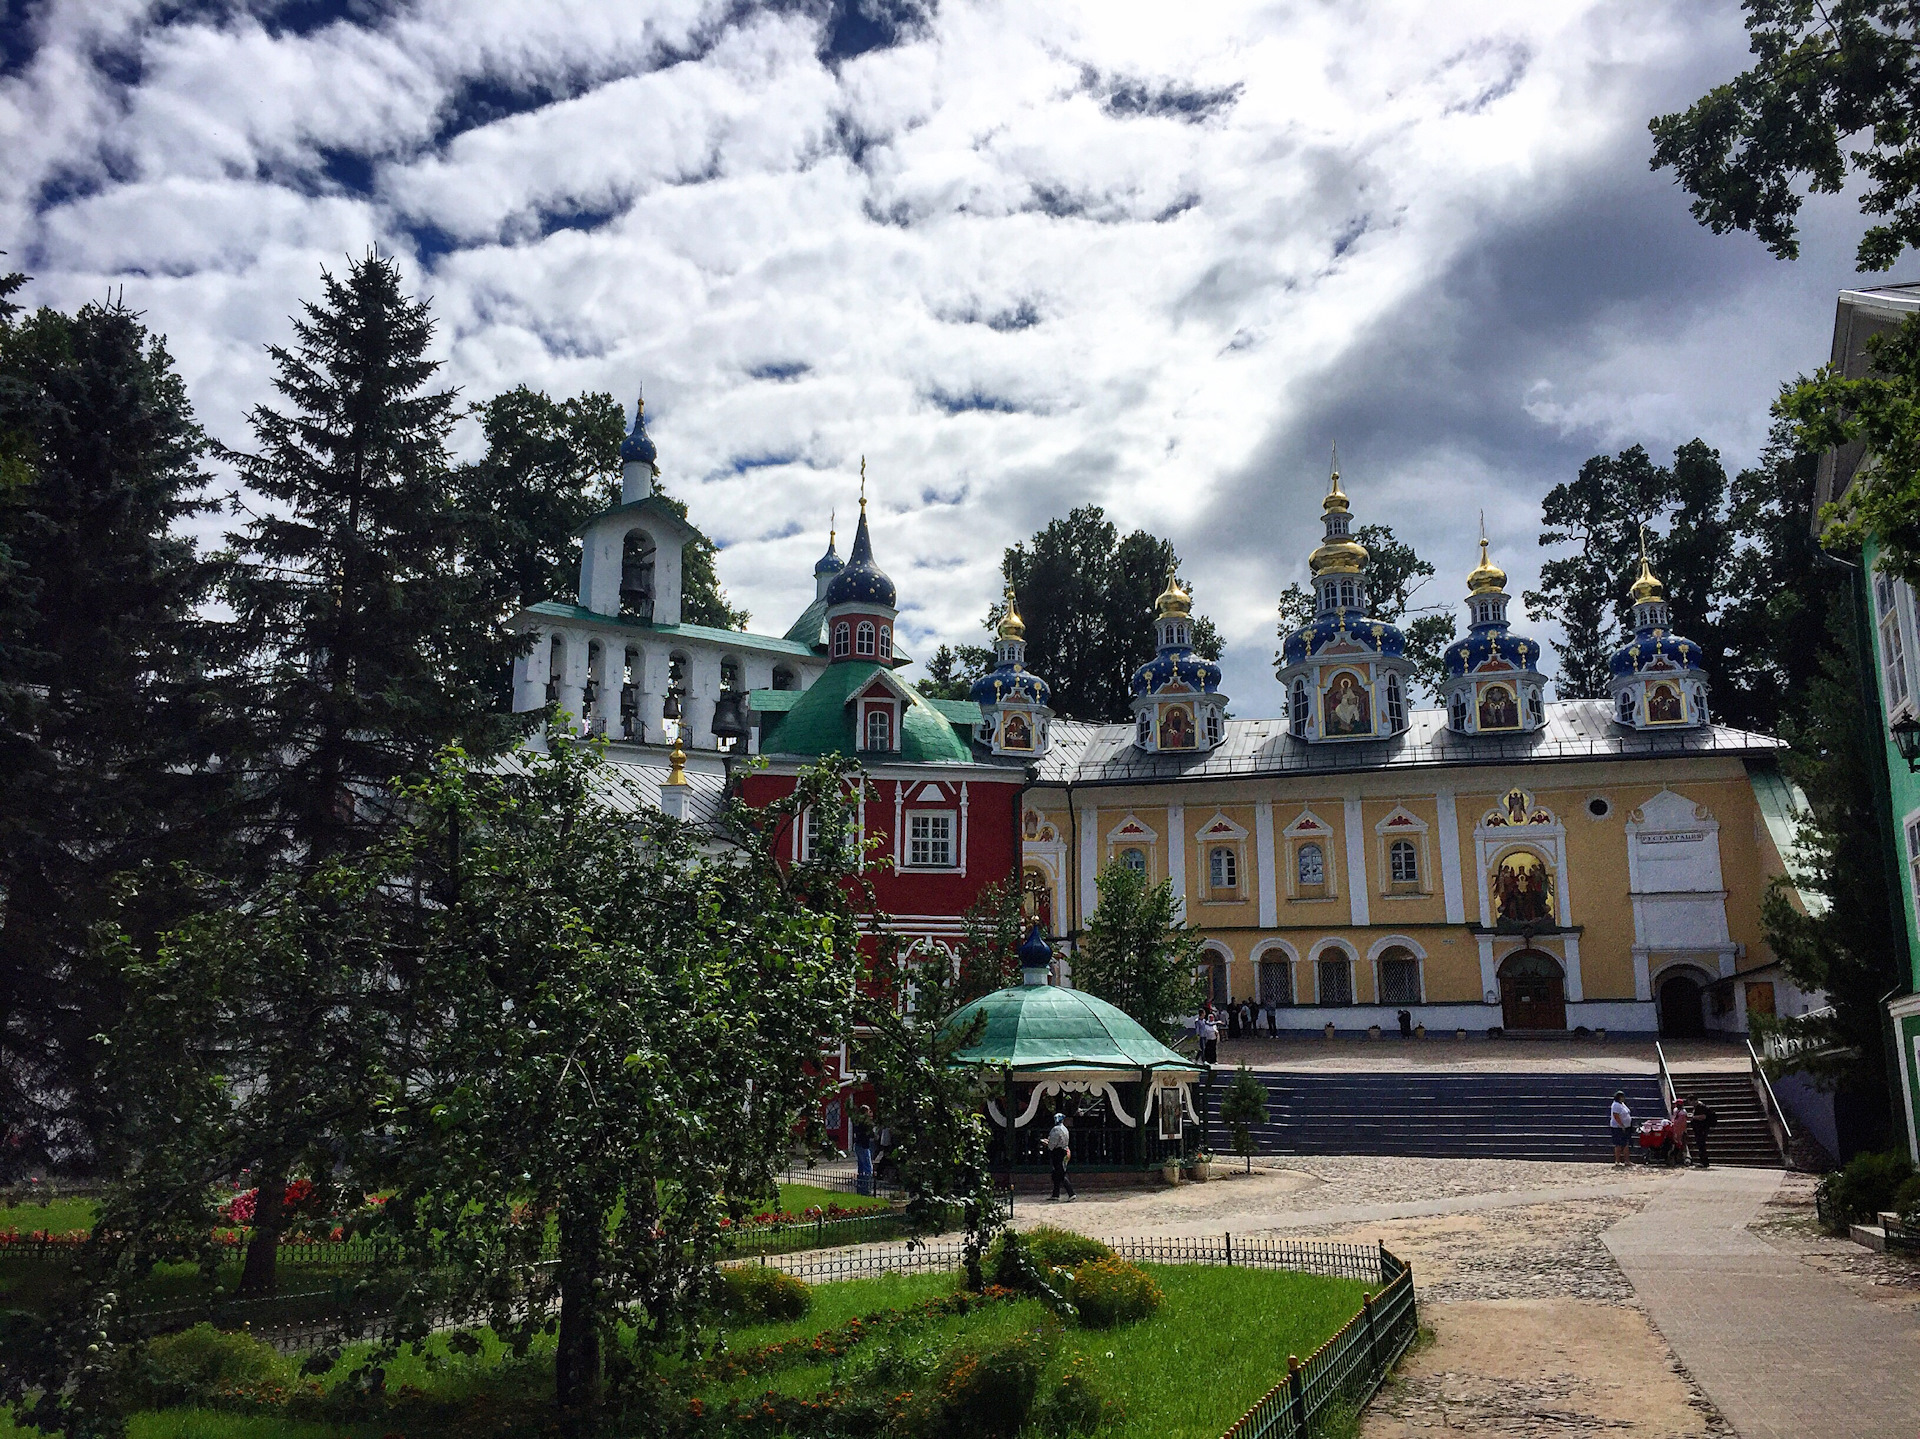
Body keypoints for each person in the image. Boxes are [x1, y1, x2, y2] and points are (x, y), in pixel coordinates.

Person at [1045, 1112, 1076, 1201]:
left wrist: (1047, 1144)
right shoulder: (1065, 1129)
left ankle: (1071, 1193)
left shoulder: (1056, 1129)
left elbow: (1052, 1144)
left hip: (1058, 1152)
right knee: (1057, 1173)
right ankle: (1056, 1194)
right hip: (1065, 1151)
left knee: (1060, 1173)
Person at [852, 1106, 875, 1196]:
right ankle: (866, 1189)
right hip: (864, 1146)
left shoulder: (858, 1121)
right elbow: (871, 1134)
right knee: (868, 1169)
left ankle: (860, 1188)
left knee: (861, 1168)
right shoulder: (866, 1123)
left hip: (858, 1145)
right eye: (869, 1111)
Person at [1689, 1096, 1717, 1169]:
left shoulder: (1700, 1106)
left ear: (1694, 1100)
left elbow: (1703, 1116)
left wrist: (1693, 1117)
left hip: (1702, 1129)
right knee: (1700, 1145)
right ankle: (1703, 1161)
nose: (1690, 1103)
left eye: (1690, 1101)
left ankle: (1704, 1162)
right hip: (1700, 1129)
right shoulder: (1698, 1107)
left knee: (1701, 1144)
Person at [1609, 1090, 1633, 1168]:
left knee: (1625, 1144)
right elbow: (1616, 1116)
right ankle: (1617, 1161)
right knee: (1618, 1144)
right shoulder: (1616, 1105)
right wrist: (1621, 1125)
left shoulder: (1622, 1104)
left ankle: (1627, 1160)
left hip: (1626, 1127)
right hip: (1618, 1127)